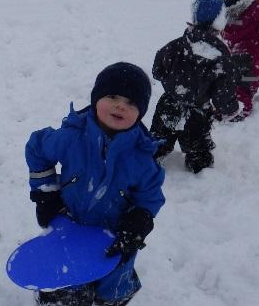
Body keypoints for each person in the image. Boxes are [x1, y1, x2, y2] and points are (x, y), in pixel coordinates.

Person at [26, 62, 165, 306]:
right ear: (95, 99)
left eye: (131, 103)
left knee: (112, 287)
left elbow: (150, 195)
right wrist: (46, 192)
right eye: (112, 96)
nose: (121, 105)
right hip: (69, 225)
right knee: (65, 281)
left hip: (113, 236)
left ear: (140, 113)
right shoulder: (71, 137)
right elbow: (37, 147)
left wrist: (140, 219)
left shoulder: (142, 157)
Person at [149, 0, 241, 173]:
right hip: (197, 113)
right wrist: (229, 109)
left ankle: (150, 160)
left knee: (159, 138)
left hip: (169, 103)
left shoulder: (175, 46)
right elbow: (224, 92)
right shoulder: (221, 59)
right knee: (198, 148)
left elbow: (157, 70)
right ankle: (198, 167)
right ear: (220, 22)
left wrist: (173, 82)